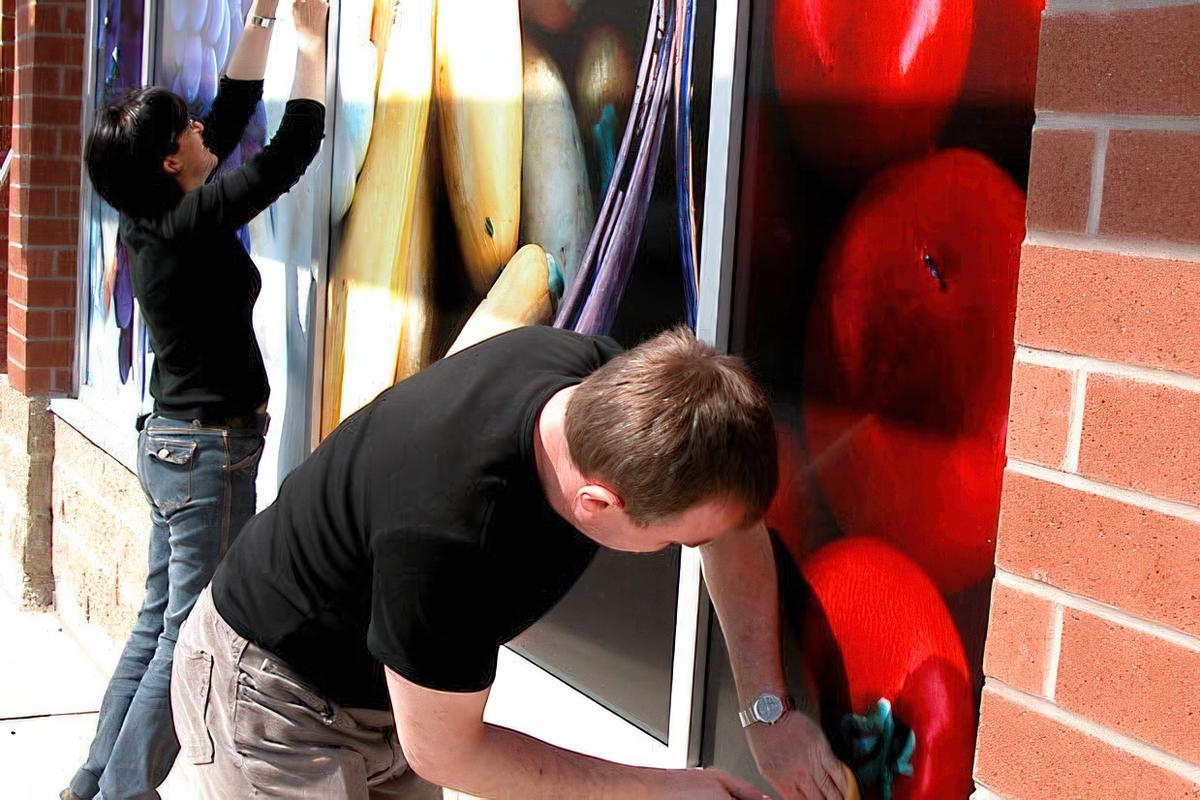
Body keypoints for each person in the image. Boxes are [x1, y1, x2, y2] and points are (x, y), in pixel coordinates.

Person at [172, 324, 851, 799]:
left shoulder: (611, 394)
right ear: (597, 505)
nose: (688, 550)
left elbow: (730, 527)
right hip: (272, 700)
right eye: (677, 541)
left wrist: (768, 716)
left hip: (393, 692)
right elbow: (446, 751)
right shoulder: (447, 535)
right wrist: (659, 788)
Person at [62, 2, 328, 798]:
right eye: (186, 131)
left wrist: (265, 20)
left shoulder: (157, 214)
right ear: (172, 163)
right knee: (189, 643)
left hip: (177, 450)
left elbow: (233, 108)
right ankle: (121, 792)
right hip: (206, 457)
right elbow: (291, 149)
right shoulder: (190, 224)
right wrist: (312, 44)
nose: (203, 132)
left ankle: (90, 785)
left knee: (157, 628)